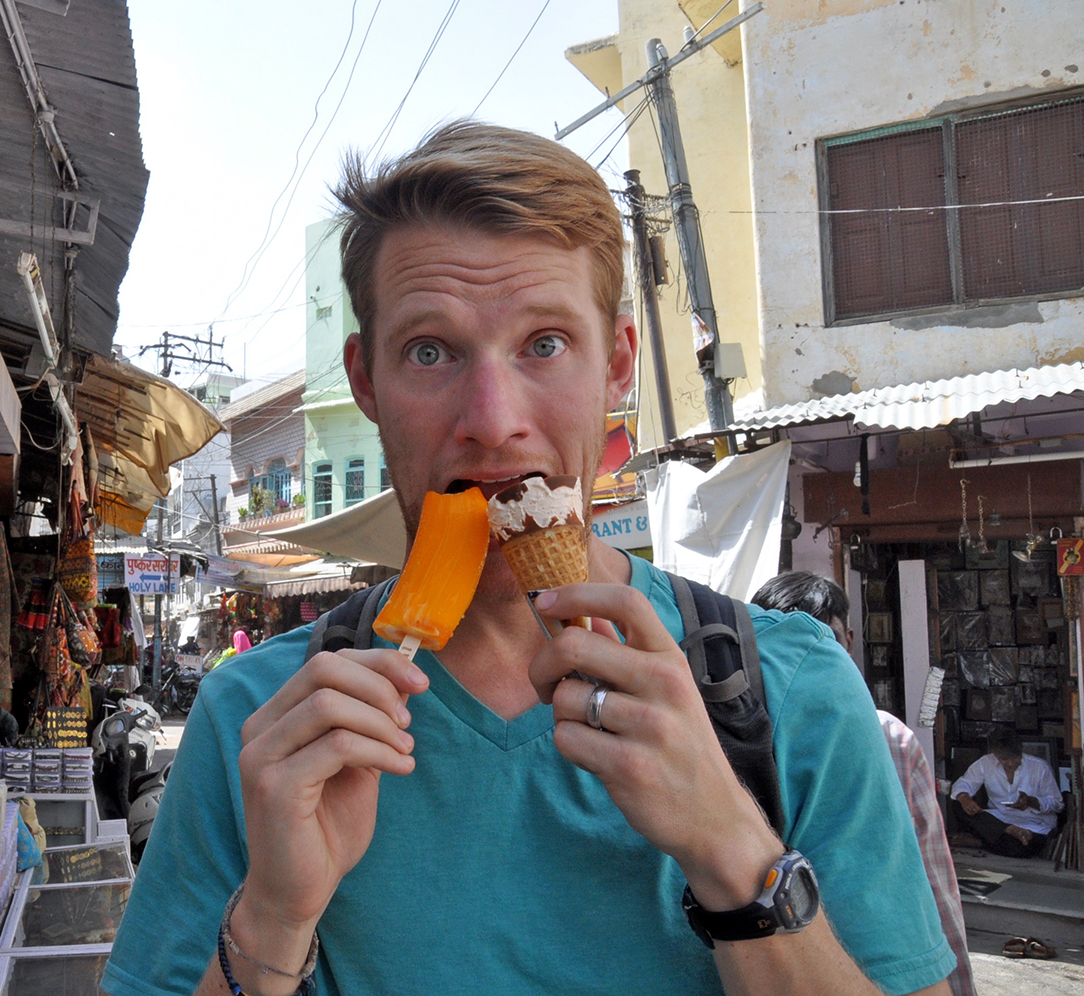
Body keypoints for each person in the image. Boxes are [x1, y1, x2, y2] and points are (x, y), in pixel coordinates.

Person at [103, 123, 954, 996]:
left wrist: (731, 850)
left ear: (617, 364)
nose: (492, 417)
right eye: (429, 351)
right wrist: (275, 915)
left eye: (545, 343)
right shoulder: (260, 719)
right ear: (365, 382)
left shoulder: (791, 691)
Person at [752, 571, 974, 996]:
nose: (806, 664)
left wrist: (958, 980)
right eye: (787, 645)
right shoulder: (730, 745)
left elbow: (932, 876)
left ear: (848, 642)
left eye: (824, 643)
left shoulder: (891, 740)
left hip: (881, 966)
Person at [950, 731, 1064, 858]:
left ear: (1021, 750)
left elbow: (1058, 804)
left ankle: (979, 843)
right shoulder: (985, 763)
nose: (1011, 763)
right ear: (995, 754)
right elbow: (964, 784)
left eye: (1016, 757)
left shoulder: (1040, 767)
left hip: (1033, 824)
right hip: (998, 820)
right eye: (1004, 759)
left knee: (1021, 847)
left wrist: (1032, 801)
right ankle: (1009, 830)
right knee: (958, 804)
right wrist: (965, 798)